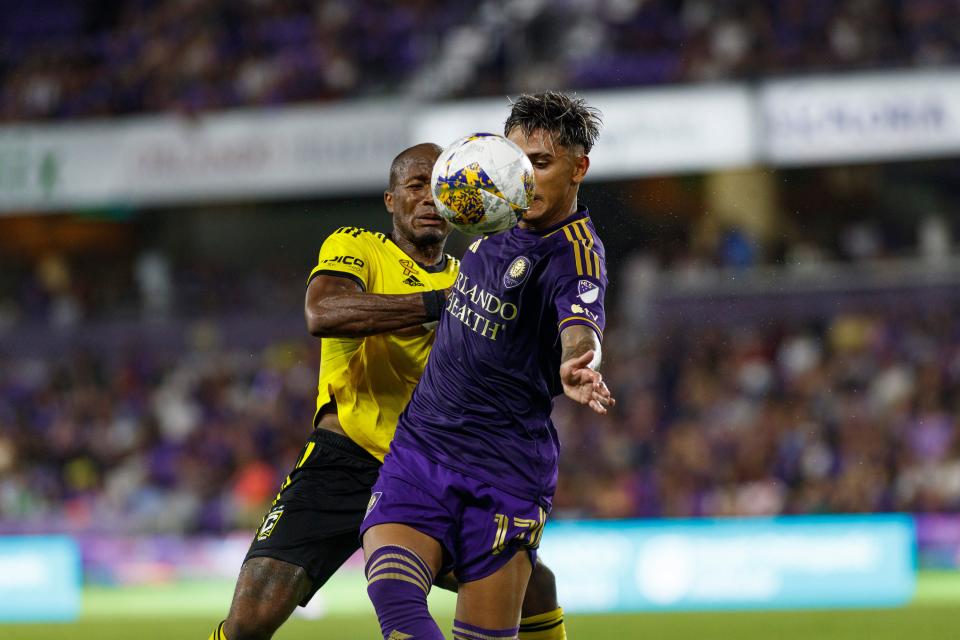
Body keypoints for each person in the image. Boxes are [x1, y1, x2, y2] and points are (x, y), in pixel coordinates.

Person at [209, 143, 569, 640]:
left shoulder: (474, 277)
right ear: (389, 200)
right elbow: (325, 312)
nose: (427, 198)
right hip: (345, 461)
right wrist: (439, 303)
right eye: (415, 186)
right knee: (250, 621)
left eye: (437, 188)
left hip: (430, 468)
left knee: (533, 586)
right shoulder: (360, 246)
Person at [361, 92, 613, 640]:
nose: (523, 179)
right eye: (518, 164)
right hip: (422, 447)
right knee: (393, 597)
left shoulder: (574, 252)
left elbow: (581, 323)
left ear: (579, 168)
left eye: (541, 165)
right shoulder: (494, 213)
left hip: (504, 476)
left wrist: (578, 361)